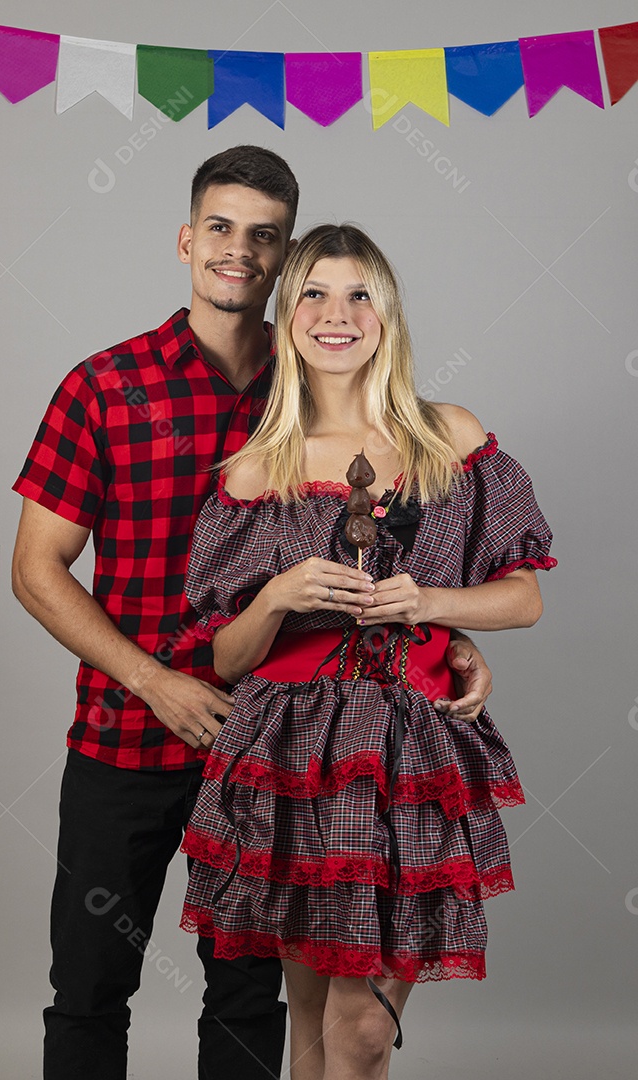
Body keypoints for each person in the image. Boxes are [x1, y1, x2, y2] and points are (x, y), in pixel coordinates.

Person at [10, 147, 495, 1080]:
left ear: (286, 264)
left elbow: (390, 547)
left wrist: (452, 638)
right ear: (188, 239)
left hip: (279, 751)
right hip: (126, 736)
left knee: (247, 1001)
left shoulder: (316, 377)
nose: (239, 251)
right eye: (221, 229)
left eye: (264, 238)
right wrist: (156, 681)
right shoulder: (105, 386)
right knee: (89, 987)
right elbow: (37, 571)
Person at [179, 223, 556, 1080]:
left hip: (410, 754)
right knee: (312, 1022)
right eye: (313, 292)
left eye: (359, 295)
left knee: (361, 1030)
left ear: (387, 314)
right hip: (291, 759)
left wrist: (429, 604)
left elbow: (525, 597)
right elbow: (228, 661)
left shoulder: (448, 438)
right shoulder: (256, 470)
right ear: (287, 312)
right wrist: (278, 594)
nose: (336, 313)